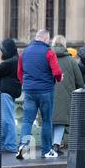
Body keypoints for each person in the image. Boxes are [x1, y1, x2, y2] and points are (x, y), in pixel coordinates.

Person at [16, 29, 63, 159]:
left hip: (29, 91)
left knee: (27, 120)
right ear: (45, 39)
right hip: (45, 91)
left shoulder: (24, 52)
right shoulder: (49, 52)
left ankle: (23, 146)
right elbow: (57, 72)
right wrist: (59, 79)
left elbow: (19, 73)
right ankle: (46, 150)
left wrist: (27, 84)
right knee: (46, 121)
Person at [51, 35, 84, 155]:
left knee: (49, 120)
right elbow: (80, 81)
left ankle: (49, 145)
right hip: (66, 96)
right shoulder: (71, 61)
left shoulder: (47, 58)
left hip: (47, 93)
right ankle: (56, 144)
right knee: (60, 121)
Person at [0, 38, 22, 153]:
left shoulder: (11, 62)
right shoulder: (15, 60)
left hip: (5, 94)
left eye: (3, 50)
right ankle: (4, 144)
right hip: (8, 93)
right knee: (5, 120)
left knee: (7, 120)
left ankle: (10, 145)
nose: (2, 52)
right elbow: (1, 70)